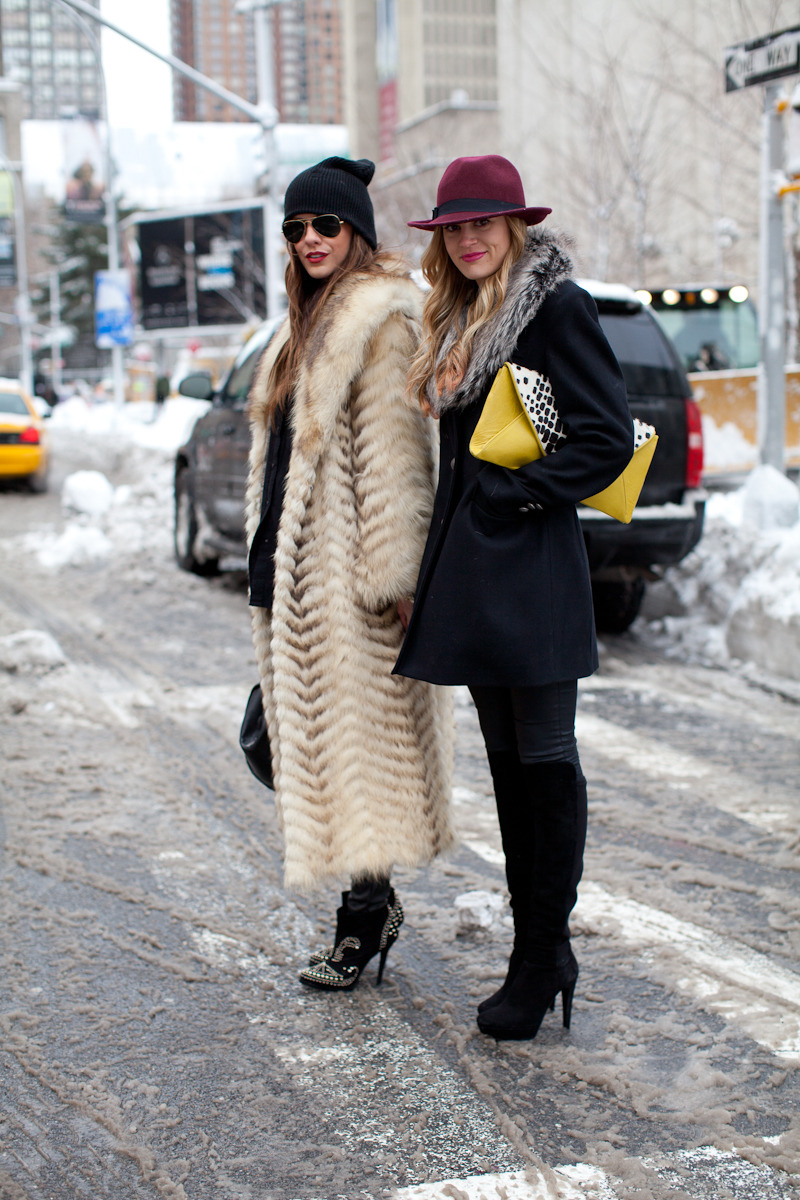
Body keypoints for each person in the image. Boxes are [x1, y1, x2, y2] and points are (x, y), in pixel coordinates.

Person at [395, 155, 633, 1040]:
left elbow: (606, 437)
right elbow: (456, 465)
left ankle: (543, 954)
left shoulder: (554, 307)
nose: (468, 239)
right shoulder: (456, 319)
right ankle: (535, 950)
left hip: (532, 573)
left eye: (482, 224)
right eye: (454, 228)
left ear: (515, 227)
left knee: (545, 759)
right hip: (473, 577)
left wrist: (517, 492)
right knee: (507, 774)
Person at [245, 157, 453, 992]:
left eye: (324, 226)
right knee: (278, 744)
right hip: (292, 578)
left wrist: (395, 581)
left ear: (356, 232)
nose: (308, 241)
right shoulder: (303, 323)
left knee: (352, 756)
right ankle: (375, 904)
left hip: (348, 587)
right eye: (295, 229)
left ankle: (364, 921)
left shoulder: (382, 319)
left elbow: (399, 467)